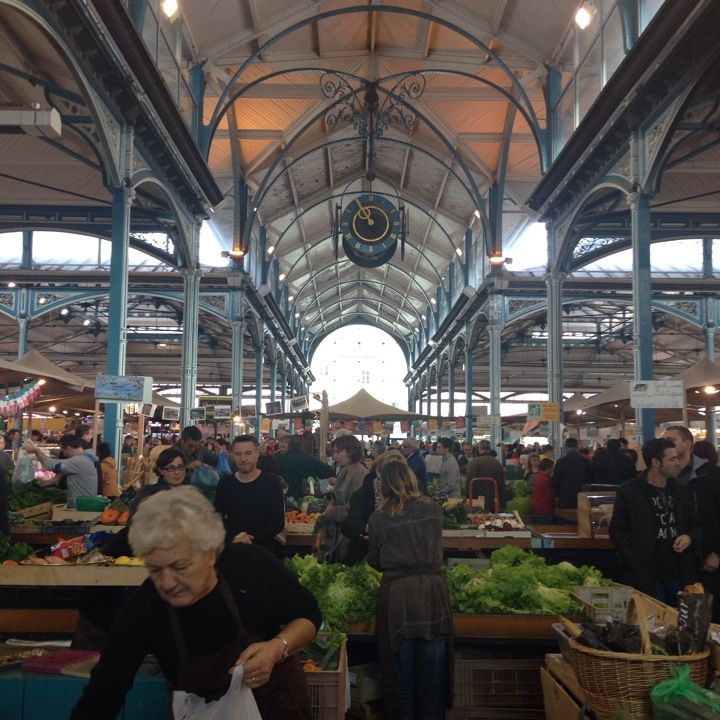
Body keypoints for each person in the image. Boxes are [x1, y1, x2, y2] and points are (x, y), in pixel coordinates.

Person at [71, 485, 322, 720]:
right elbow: (105, 689)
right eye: (155, 570)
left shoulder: (250, 566)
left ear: (210, 552)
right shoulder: (145, 606)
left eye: (179, 567)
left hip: (276, 705)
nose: (167, 582)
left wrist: (276, 648)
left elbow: (308, 615)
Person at [367, 459, 453, 719]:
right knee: (433, 677)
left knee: (400, 675)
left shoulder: (379, 517)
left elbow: (375, 560)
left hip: (399, 598)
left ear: (384, 486)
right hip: (433, 593)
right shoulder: (433, 509)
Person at [609, 438, 701, 603]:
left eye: (677, 458)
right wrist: (632, 559)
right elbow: (617, 530)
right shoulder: (629, 492)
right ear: (656, 463)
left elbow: (697, 526)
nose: (678, 463)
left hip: (679, 573)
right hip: (646, 574)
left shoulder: (681, 491)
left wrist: (689, 538)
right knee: (651, 624)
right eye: (672, 459)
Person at [664, 425, 720, 620]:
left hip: (708, 557)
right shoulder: (667, 478)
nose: (667, 444)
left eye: (672, 440)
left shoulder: (711, 475)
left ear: (688, 444)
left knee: (709, 615)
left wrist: (717, 553)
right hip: (678, 560)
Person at [214, 435, 285, 555]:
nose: (243, 459)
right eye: (238, 454)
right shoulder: (225, 483)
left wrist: (252, 541)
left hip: (265, 552)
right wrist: (233, 537)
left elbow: (278, 521)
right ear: (232, 455)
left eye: (248, 453)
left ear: (257, 454)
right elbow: (217, 517)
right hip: (233, 551)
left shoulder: (272, 482)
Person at [341, 449, 405, 564]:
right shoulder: (363, 494)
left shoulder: (409, 496)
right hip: (364, 557)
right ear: (378, 472)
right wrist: (368, 530)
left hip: (400, 560)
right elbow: (348, 525)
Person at [23, 435, 99, 507]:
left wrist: (36, 451)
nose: (64, 455)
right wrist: (56, 478)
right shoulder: (85, 459)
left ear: (69, 449)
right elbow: (66, 468)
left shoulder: (80, 460)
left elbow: (52, 465)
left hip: (82, 507)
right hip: (84, 504)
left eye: (63, 450)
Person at [276, 433, 334, 502]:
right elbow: (329, 471)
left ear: (289, 445)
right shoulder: (309, 459)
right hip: (307, 498)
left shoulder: (279, 460)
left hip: (285, 497)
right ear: (302, 446)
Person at [551, 437, 592, 510]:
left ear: (566, 447)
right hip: (581, 496)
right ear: (577, 446)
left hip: (565, 497)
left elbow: (556, 481)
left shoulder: (561, 462)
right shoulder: (585, 462)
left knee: (566, 518)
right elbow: (590, 480)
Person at [466, 439, 506, 510]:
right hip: (494, 499)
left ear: (479, 448)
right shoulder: (497, 463)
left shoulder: (474, 463)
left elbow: (469, 482)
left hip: (478, 500)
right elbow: (502, 484)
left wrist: (468, 498)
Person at [532, 458, 555, 524]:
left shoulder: (537, 478)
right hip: (546, 509)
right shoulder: (546, 479)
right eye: (552, 468)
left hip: (537, 508)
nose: (553, 470)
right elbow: (549, 495)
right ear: (548, 468)